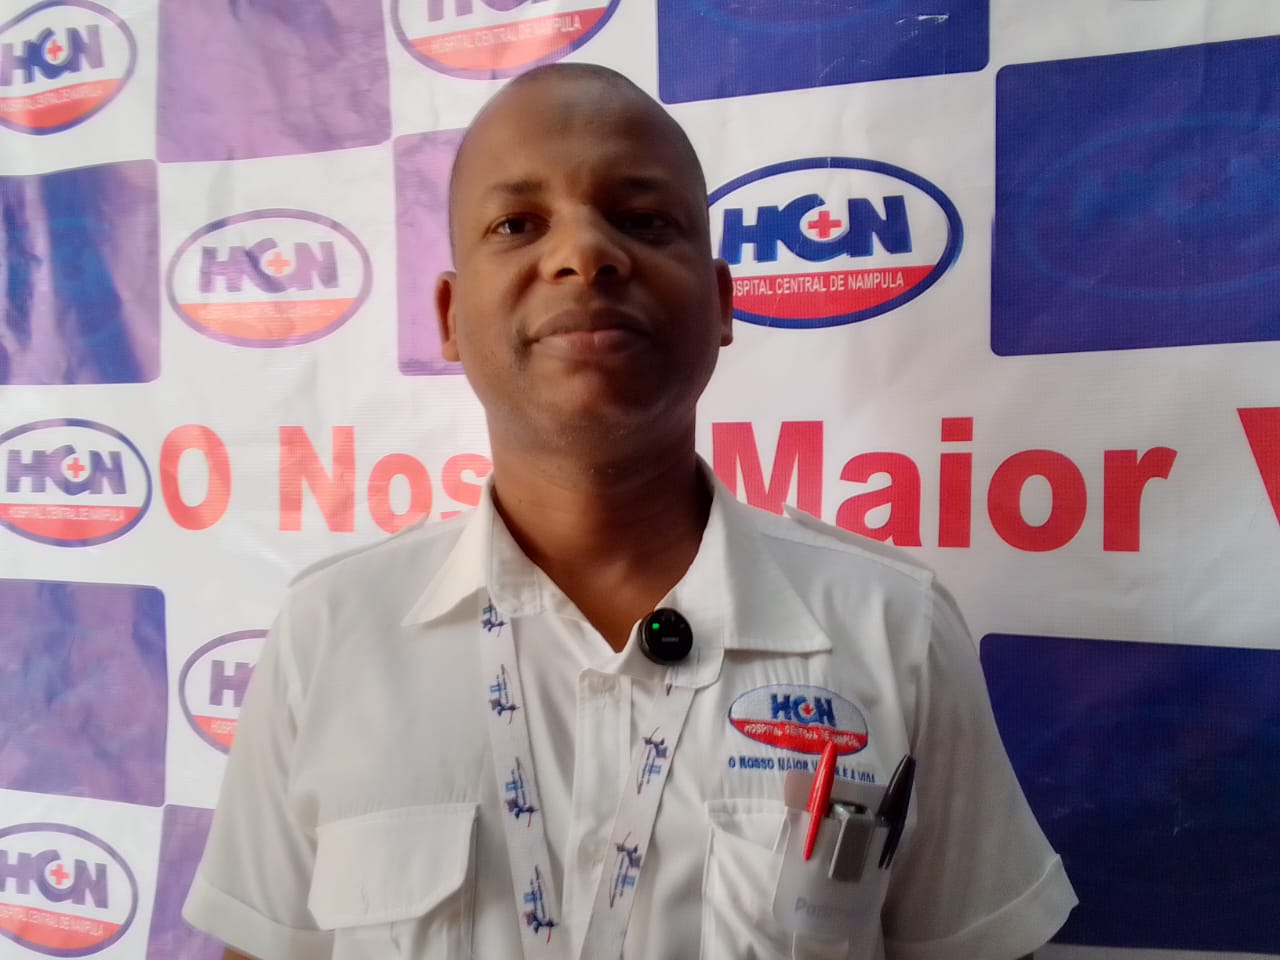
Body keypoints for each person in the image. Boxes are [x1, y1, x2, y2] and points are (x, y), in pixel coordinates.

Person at [183, 63, 1076, 960]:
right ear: (449, 318)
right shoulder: (330, 634)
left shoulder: (892, 628)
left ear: (721, 304)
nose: (585, 254)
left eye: (644, 220)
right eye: (517, 224)